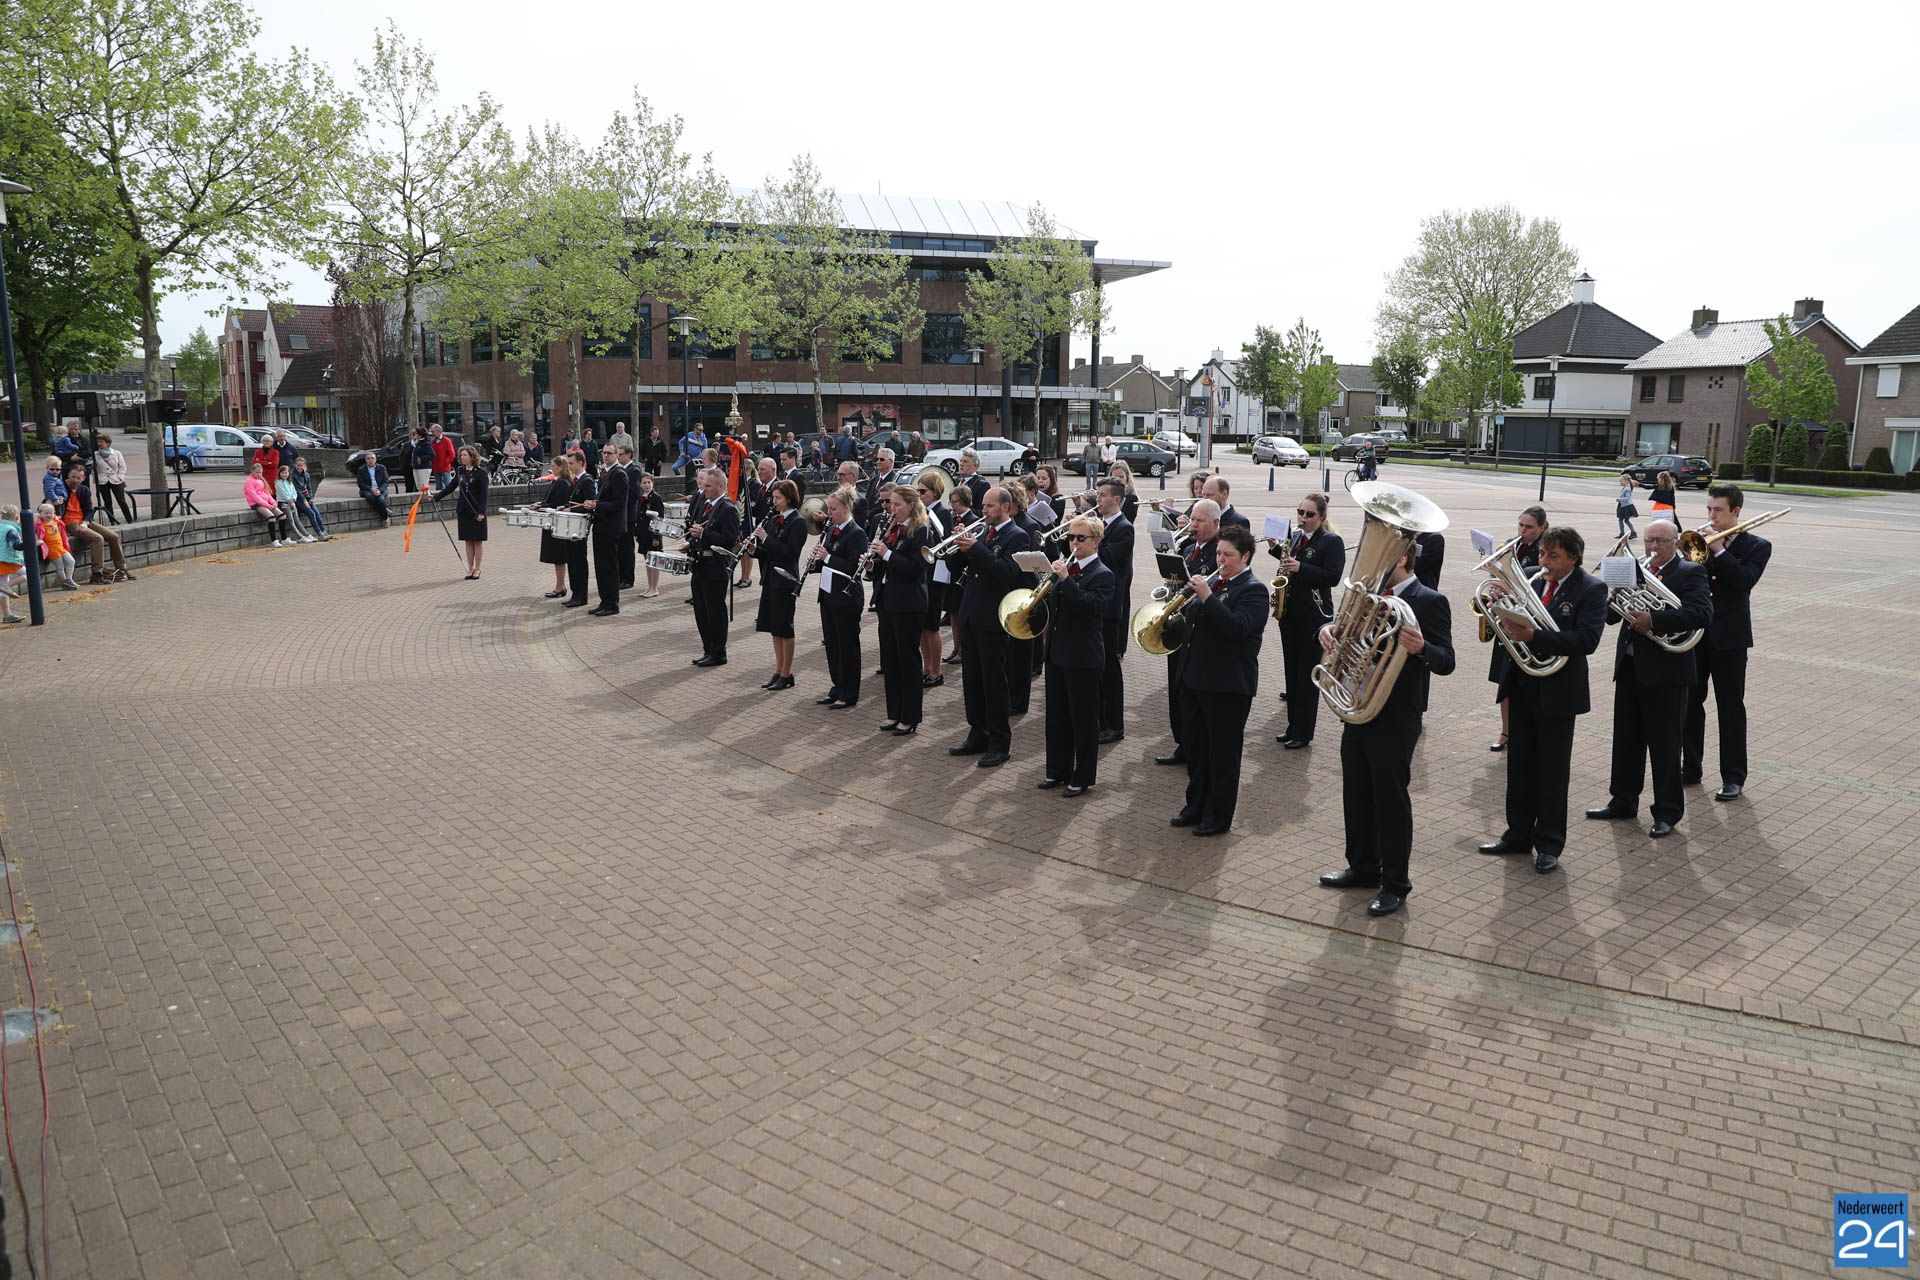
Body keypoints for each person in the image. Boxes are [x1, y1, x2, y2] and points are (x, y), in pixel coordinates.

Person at [1316, 540, 1455, 916]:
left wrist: (1423, 647)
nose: (1373, 564)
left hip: (1395, 718)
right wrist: (1327, 631)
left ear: (1403, 558)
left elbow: (1447, 660)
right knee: (1356, 793)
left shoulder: (1429, 601)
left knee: (1390, 801)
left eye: (1383, 556)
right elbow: (1344, 633)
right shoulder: (1368, 596)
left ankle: (1395, 884)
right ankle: (1362, 868)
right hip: (1358, 707)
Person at [1477, 526, 1607, 873]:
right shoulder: (1532, 578)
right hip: (1522, 683)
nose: (1544, 561)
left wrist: (1534, 636)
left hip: (1559, 691)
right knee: (1519, 766)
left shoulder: (1591, 589)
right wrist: (1497, 605)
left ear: (1573, 559)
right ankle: (1517, 835)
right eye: (1543, 553)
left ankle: (1549, 843)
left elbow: (1587, 640)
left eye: (1554, 556)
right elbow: (1512, 621)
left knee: (1552, 771)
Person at [1586, 519, 1713, 839]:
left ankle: (1667, 812)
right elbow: (1611, 617)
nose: (1653, 547)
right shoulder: (1636, 569)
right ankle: (1623, 800)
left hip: (1668, 672)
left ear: (1676, 544)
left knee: (1665, 745)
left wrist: (1654, 620)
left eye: (1661, 541)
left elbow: (1701, 613)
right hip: (1630, 668)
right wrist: (1612, 595)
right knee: (1626, 740)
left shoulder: (1690, 572)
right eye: (1649, 540)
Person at [1171, 525, 1268, 836]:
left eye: (1228, 555)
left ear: (1246, 556)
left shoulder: (1254, 590)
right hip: (1195, 680)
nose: (1220, 560)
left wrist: (1207, 597)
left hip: (1227, 686)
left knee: (1222, 755)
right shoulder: (1215, 582)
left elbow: (1236, 628)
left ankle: (1218, 815)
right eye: (1219, 554)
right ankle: (1195, 806)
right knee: (1197, 751)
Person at [1684, 482, 1772, 802]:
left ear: (1736, 511)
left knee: (1730, 707)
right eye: (1709, 509)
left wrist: (1720, 550)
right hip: (1697, 635)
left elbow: (1743, 581)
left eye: (1718, 510)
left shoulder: (1757, 545)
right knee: (1690, 704)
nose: (1712, 516)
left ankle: (1733, 777)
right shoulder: (1701, 541)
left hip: (1731, 639)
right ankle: (1690, 767)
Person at [949, 485, 1032, 767]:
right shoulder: (983, 532)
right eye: (983, 506)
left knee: (994, 683)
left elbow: (1006, 572)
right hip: (971, 615)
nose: (983, 511)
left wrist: (977, 549)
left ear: (1006, 507)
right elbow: (954, 567)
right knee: (972, 680)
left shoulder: (1017, 536)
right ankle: (977, 733)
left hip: (993, 619)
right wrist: (959, 546)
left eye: (989, 506)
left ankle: (999, 742)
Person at [1038, 515, 1116, 795]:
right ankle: (1056, 771)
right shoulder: (1067, 568)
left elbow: (1090, 607)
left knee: (1083, 721)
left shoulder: (1103, 574)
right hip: (1057, 652)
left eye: (1080, 538)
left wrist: (1065, 580)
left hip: (1083, 656)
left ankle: (1082, 777)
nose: (1073, 543)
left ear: (1096, 542)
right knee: (1056, 717)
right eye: (1070, 537)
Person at [1271, 491, 1343, 749]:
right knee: (1292, 673)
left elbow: (1333, 576)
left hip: (1313, 616)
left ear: (1321, 517)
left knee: (1306, 676)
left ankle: (1303, 732)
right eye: (1300, 512)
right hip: (1290, 613)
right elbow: (1288, 562)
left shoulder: (1331, 541)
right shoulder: (1296, 536)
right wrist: (1276, 549)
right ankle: (1292, 726)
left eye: (1309, 514)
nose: (1303, 518)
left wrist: (1301, 568)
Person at [1156, 499, 1220, 766]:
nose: (1193, 525)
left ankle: (1195, 747)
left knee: (1191, 690)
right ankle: (1182, 742)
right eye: (1192, 519)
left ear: (1215, 523)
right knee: (1176, 687)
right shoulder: (1188, 547)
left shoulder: (1219, 552)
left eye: (1199, 521)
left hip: (1198, 629)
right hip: (1178, 624)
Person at [1487, 505, 1548, 753]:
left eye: (1529, 527)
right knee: (1505, 680)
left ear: (1542, 528)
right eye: (1520, 525)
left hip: (1529, 621)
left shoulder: (1543, 551)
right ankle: (1506, 731)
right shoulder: (1512, 545)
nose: (1522, 530)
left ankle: (1527, 732)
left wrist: (1509, 587)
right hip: (1507, 618)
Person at [876, 485, 935, 735]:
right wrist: (872, 563)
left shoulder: (921, 530)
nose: (892, 508)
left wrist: (887, 554)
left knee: (907, 661)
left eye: (897, 504)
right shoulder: (893, 527)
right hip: (888, 601)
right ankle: (894, 713)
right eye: (891, 503)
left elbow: (916, 568)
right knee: (890, 660)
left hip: (909, 604)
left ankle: (910, 717)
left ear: (911, 505)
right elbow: (885, 563)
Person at [812, 486, 868, 707]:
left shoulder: (857, 533)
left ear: (846, 508)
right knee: (832, 644)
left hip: (847, 598)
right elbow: (827, 562)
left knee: (847, 646)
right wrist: (815, 563)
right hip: (828, 595)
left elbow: (854, 567)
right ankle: (837, 686)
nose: (829, 513)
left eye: (833, 509)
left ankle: (849, 691)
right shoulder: (831, 530)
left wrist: (826, 558)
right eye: (829, 508)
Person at [753, 478, 808, 690]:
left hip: (785, 580)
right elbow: (767, 552)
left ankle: (787, 673)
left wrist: (766, 539)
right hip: (770, 578)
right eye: (774, 497)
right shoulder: (774, 519)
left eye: (778, 498)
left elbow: (789, 552)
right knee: (774, 627)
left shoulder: (798, 522)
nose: (774, 501)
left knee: (785, 627)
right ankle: (778, 670)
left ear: (789, 498)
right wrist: (753, 550)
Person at [1092, 477, 1134, 744]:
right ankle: (1099, 718)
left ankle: (1115, 724)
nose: (1097, 499)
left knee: (1109, 668)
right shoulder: (1099, 523)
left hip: (1109, 606)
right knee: (1097, 667)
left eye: (1102, 495)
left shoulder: (1124, 528)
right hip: (1094, 604)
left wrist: (1090, 536)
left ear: (1116, 499)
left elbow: (1107, 557)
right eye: (1098, 495)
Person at [686, 467, 737, 663]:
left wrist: (704, 534)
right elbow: (699, 532)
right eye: (704, 485)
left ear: (720, 487)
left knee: (715, 612)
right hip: (701, 565)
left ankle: (718, 652)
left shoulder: (728, 509)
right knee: (701, 611)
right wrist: (690, 543)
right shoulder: (705, 504)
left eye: (708, 486)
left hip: (716, 567)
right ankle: (708, 649)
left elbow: (730, 539)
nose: (704, 488)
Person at [575, 444, 626, 613]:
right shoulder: (606, 472)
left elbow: (619, 503)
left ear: (617, 455)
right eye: (604, 453)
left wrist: (597, 505)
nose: (605, 455)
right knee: (601, 567)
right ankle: (605, 601)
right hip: (601, 526)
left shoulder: (619, 474)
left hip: (611, 527)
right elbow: (604, 497)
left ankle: (612, 604)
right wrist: (594, 503)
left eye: (609, 453)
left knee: (609, 567)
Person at [428, 444, 490, 580]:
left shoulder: (481, 472)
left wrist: (481, 512)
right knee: (468, 540)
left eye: (465, 455)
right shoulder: (460, 471)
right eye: (461, 455)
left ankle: (478, 569)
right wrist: (436, 497)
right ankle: (470, 568)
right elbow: (450, 487)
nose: (462, 457)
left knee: (477, 541)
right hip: (464, 510)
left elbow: (484, 494)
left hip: (476, 511)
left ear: (472, 457)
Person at [61, 464, 131, 582]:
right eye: (73, 477)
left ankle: (121, 569)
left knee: (113, 536)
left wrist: (85, 522)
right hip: (69, 522)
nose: (75, 480)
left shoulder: (84, 490)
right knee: (97, 539)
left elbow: (89, 510)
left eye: (78, 478)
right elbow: (47, 503)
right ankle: (97, 573)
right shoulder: (61, 488)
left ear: (83, 478)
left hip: (83, 520)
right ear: (68, 476)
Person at [914, 469, 952, 685]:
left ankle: (936, 671)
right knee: (922, 625)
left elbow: (943, 543)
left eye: (923, 491)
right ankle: (926, 667)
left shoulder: (942, 513)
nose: (919, 495)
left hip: (936, 575)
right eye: (918, 491)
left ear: (935, 492)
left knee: (932, 626)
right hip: (924, 574)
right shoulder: (923, 512)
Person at [536, 456, 579, 599]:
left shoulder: (562, 483)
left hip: (557, 523)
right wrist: (540, 504)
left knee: (558, 557)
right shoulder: (559, 481)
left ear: (561, 467)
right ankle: (560, 586)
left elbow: (558, 504)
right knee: (557, 557)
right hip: (554, 522)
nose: (552, 468)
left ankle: (560, 587)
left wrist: (541, 506)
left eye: (554, 466)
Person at [738, 457, 778, 589]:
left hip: (772, 535)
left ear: (773, 470)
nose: (759, 471)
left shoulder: (779, 487)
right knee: (763, 566)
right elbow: (756, 511)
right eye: (759, 469)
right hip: (761, 533)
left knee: (771, 567)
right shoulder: (762, 488)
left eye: (763, 469)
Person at [244, 462, 297, 548]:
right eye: (257, 472)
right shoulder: (249, 482)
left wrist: (273, 503)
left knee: (282, 516)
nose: (259, 474)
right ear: (252, 471)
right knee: (271, 517)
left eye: (260, 472)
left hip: (269, 503)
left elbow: (267, 493)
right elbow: (255, 497)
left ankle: (284, 539)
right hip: (256, 504)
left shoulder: (261, 480)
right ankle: (274, 541)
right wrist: (268, 506)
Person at [634, 470, 667, 598]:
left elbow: (660, 518)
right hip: (643, 533)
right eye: (644, 483)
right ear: (640, 484)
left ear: (652, 483)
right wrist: (637, 533)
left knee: (654, 562)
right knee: (648, 561)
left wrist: (656, 537)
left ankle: (654, 588)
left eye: (649, 482)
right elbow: (639, 517)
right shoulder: (641, 497)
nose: (647, 485)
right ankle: (649, 587)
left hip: (652, 534)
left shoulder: (656, 498)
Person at [616, 445, 643, 590]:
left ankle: (628, 578)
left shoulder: (634, 470)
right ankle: (621, 577)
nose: (618, 457)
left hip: (629, 515)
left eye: (621, 454)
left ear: (629, 455)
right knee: (620, 548)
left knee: (627, 549)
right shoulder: (620, 469)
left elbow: (635, 493)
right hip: (621, 515)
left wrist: (620, 504)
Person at [35, 503, 80, 590]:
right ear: (40, 514)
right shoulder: (39, 524)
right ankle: (65, 583)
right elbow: (30, 532)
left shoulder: (56, 521)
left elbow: (61, 528)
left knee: (71, 561)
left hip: (61, 547)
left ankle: (68, 580)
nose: (49, 515)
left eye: (51, 513)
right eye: (46, 513)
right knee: (60, 566)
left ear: (54, 513)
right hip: (52, 549)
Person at [92, 433, 136, 523]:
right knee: (107, 502)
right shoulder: (95, 454)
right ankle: (112, 521)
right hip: (103, 480)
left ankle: (129, 520)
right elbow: (93, 468)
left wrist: (120, 477)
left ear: (107, 443)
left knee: (121, 501)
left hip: (116, 479)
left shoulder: (116, 453)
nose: (99, 444)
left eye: (101, 442)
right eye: (98, 442)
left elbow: (122, 466)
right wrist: (97, 478)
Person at [273, 466, 318, 543]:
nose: (284, 474)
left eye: (286, 473)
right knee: (291, 520)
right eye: (282, 473)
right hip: (283, 503)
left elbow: (294, 492)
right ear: (279, 473)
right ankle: (300, 537)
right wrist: (291, 502)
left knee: (297, 519)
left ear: (288, 473)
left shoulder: (290, 482)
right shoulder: (278, 482)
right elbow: (284, 494)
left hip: (292, 502)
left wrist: (293, 499)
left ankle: (306, 535)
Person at [864, 449, 900, 535]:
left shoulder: (895, 480)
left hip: (882, 523)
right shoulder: (874, 480)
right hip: (868, 523)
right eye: (877, 459)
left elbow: (886, 503)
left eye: (882, 459)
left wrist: (869, 517)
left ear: (891, 462)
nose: (878, 462)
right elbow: (867, 500)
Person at [357, 456, 391, 522]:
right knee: (370, 497)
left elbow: (386, 481)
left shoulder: (382, 468)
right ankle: (385, 515)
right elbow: (360, 483)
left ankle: (384, 515)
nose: (370, 460)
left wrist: (380, 490)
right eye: (368, 458)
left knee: (381, 499)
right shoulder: (361, 469)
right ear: (366, 460)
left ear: (375, 460)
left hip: (381, 489)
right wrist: (371, 489)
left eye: (372, 458)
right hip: (367, 490)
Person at [408, 427, 433, 492]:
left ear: (420, 435)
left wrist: (422, 459)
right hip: (416, 467)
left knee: (424, 486)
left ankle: (426, 497)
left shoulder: (426, 443)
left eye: (416, 433)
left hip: (424, 467)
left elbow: (432, 454)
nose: (415, 435)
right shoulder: (417, 443)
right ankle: (421, 497)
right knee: (418, 486)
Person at [1616, 473, 1639, 540]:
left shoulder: (1627, 489)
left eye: (1621, 481)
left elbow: (1627, 498)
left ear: (1626, 481)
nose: (1620, 482)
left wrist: (1619, 499)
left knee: (1623, 520)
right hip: (1623, 505)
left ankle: (1627, 533)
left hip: (1626, 506)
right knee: (1624, 520)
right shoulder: (1625, 488)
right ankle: (1630, 532)